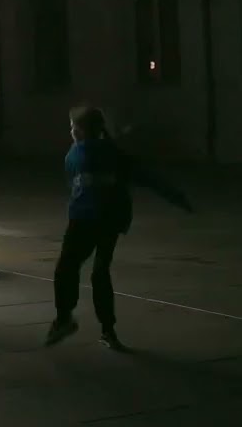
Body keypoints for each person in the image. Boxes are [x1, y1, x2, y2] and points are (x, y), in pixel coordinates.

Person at [45, 105, 194, 351]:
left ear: (81, 131)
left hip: (84, 220)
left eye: (73, 127)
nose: (71, 131)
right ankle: (107, 330)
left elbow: (74, 185)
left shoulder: (80, 153)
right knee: (100, 272)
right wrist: (176, 197)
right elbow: (147, 177)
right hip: (110, 219)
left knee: (66, 268)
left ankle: (64, 318)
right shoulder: (111, 153)